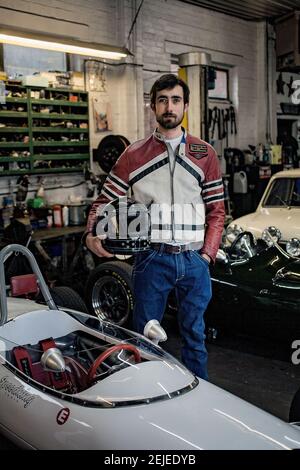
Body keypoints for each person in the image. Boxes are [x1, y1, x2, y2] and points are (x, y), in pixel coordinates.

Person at [84, 74, 225, 380]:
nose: (169, 107)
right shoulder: (133, 155)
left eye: (175, 100)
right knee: (144, 339)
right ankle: (147, 396)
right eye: (162, 100)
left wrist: (207, 256)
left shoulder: (205, 154)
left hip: (194, 260)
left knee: (195, 337)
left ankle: (198, 396)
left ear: (185, 105)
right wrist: (90, 233)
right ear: (153, 106)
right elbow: (104, 202)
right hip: (151, 259)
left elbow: (217, 210)